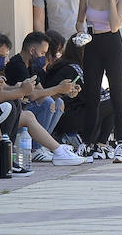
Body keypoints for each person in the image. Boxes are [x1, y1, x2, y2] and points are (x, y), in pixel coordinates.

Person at [0, 30, 88, 167]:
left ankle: (57, 150)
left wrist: (64, 91)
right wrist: (22, 90)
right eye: (1, 56)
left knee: (30, 112)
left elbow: (27, 91)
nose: (4, 60)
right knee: (11, 105)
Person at [75, 0, 122, 163]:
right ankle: (87, 143)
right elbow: (79, 21)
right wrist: (81, 34)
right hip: (92, 44)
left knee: (117, 94)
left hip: (113, 45)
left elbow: (115, 25)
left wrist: (111, 0)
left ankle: (119, 144)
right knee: (91, 95)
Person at [6, 30, 79, 161]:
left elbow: (42, 91)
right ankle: (36, 148)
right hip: (17, 111)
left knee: (58, 103)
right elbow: (33, 95)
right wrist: (58, 88)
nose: (44, 57)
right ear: (32, 50)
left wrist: (64, 91)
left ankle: (44, 145)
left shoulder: (32, 66)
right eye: (42, 53)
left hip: (27, 109)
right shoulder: (17, 65)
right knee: (47, 103)